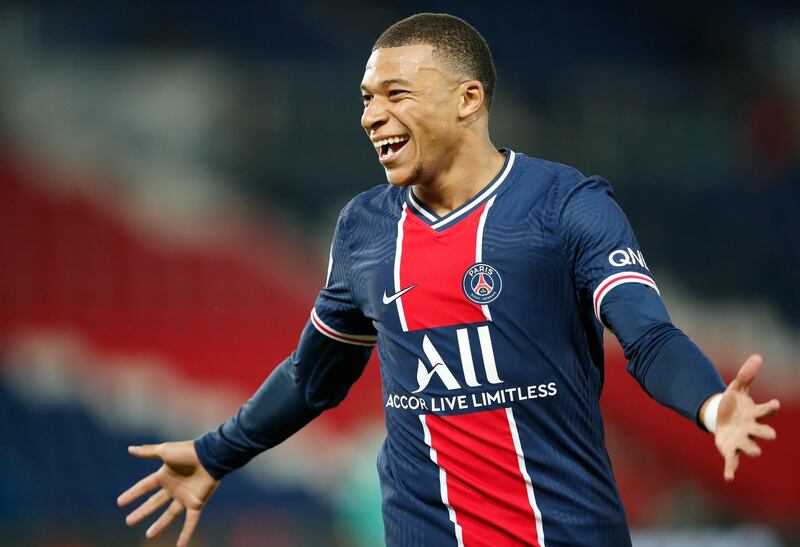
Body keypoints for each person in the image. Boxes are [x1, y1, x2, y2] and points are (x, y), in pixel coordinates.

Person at [117, 13, 780, 547]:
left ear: (469, 100)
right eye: (366, 99)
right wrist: (215, 453)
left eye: (394, 94)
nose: (370, 116)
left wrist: (711, 405)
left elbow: (648, 335)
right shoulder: (365, 230)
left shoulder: (565, 205)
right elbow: (313, 375)